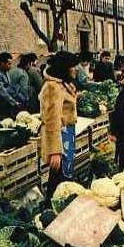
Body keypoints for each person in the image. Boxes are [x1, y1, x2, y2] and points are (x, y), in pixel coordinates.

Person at [39, 51, 79, 200]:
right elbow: (51, 119)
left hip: (67, 134)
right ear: (64, 68)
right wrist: (55, 151)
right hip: (60, 138)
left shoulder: (63, 84)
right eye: (73, 66)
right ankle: (51, 208)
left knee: (62, 177)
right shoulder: (52, 87)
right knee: (58, 180)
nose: (76, 69)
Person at [0, 52, 28, 119]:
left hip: (5, 105)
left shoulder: (5, 72)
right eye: (9, 64)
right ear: (2, 63)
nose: (11, 66)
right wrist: (14, 102)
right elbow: (2, 92)